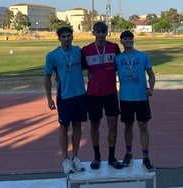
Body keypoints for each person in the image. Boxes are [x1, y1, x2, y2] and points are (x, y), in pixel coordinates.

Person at [44, 26, 87, 174]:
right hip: (65, 96)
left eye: (69, 35)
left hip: (80, 94)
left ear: (73, 37)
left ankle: (76, 157)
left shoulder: (78, 51)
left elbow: (86, 66)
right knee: (64, 127)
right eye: (63, 36)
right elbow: (47, 77)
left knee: (78, 126)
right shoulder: (52, 55)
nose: (67, 38)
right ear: (59, 38)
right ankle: (65, 160)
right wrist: (49, 98)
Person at [81, 21, 123, 170]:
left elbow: (121, 65)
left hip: (110, 92)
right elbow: (77, 68)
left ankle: (112, 157)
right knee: (94, 125)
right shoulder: (85, 50)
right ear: (93, 33)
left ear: (107, 33)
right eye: (97, 32)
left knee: (113, 125)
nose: (100, 35)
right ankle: (96, 157)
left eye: (103, 32)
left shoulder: (114, 47)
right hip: (93, 94)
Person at [114, 30, 155, 172]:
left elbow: (151, 74)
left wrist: (151, 89)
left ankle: (145, 157)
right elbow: (106, 72)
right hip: (125, 98)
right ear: (121, 41)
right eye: (125, 39)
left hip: (141, 97)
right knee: (128, 126)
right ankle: (128, 153)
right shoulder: (118, 58)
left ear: (133, 40)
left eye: (130, 38)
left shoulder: (143, 56)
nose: (128, 41)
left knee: (143, 126)